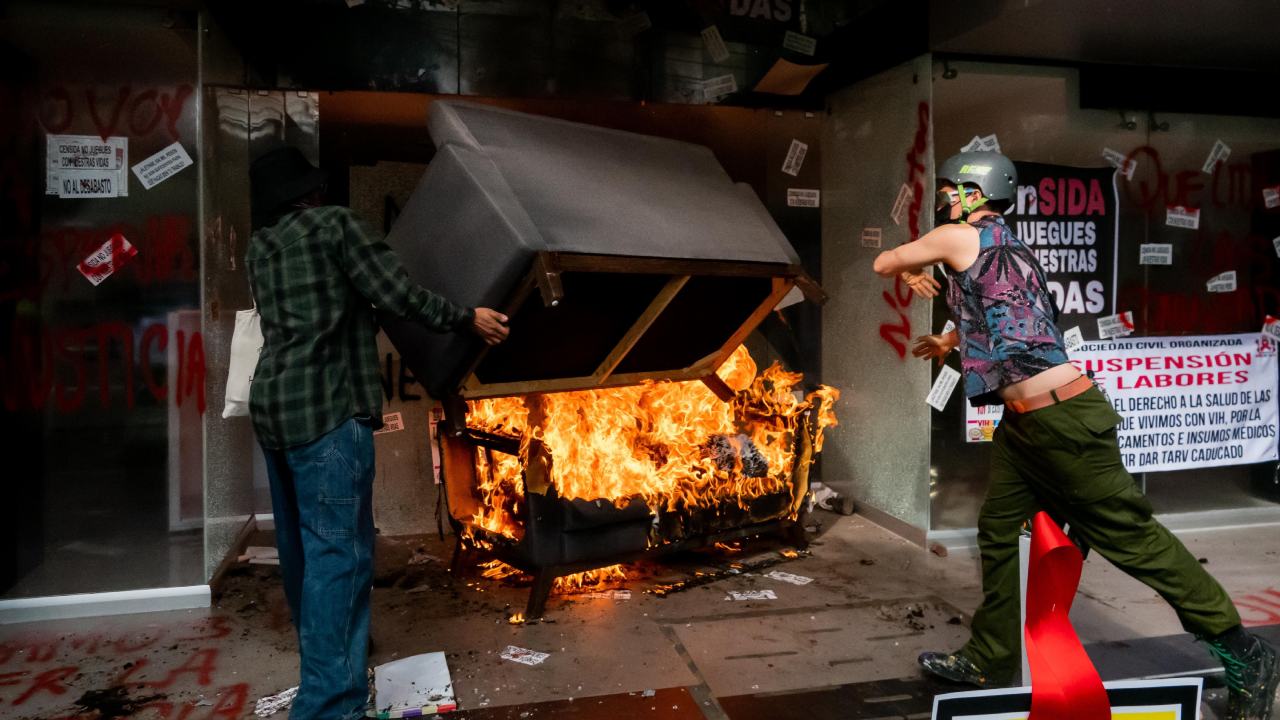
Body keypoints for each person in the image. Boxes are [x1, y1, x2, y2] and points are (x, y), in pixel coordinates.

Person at [872, 150, 1279, 720]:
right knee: (996, 528)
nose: (943, 194)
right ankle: (992, 656)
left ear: (973, 190)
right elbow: (1016, 335)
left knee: (1129, 537)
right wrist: (950, 343)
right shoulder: (1013, 254)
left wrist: (911, 266)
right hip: (1023, 427)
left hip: (1063, 420)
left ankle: (1242, 649)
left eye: (949, 186)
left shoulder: (958, 237)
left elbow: (884, 261)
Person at [247, 145, 509, 720]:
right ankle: (328, 704)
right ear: (309, 193)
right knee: (339, 555)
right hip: (327, 412)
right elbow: (397, 292)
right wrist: (467, 316)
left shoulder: (260, 248)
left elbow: (319, 310)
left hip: (275, 409)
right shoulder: (335, 226)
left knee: (302, 552)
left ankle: (337, 658)